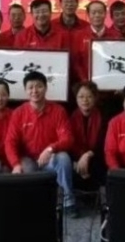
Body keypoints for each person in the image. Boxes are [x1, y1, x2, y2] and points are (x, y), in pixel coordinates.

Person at [5, 71, 77, 217]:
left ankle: (68, 201)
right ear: (25, 90)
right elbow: (10, 141)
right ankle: (34, 204)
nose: (35, 91)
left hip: (50, 159)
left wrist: (51, 149)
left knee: (63, 158)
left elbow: (68, 139)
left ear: (45, 88)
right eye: (30, 87)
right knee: (24, 167)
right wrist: (15, 164)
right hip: (28, 159)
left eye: (39, 86)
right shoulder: (19, 113)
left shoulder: (58, 111)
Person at [69, 82, 107, 189]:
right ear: (76, 99)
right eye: (81, 97)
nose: (85, 100)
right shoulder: (70, 117)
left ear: (95, 98)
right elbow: (69, 142)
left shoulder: (103, 116)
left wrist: (87, 155)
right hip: (76, 157)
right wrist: (79, 159)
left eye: (89, 96)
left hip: (97, 155)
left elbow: (103, 143)